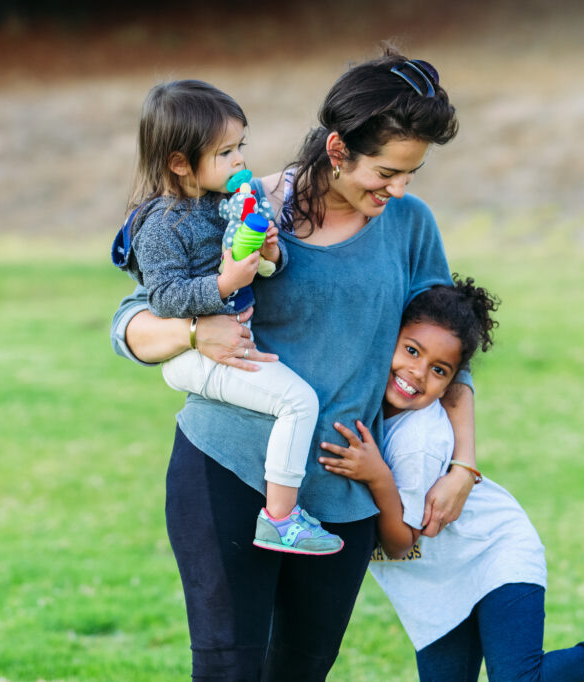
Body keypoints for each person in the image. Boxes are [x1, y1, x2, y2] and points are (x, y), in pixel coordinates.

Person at [109, 50, 476, 680]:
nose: (399, 189)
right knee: (230, 670)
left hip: (345, 495)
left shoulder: (411, 226)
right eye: (387, 172)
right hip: (226, 469)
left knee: (300, 672)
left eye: (411, 174)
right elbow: (131, 324)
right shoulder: (247, 206)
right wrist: (197, 331)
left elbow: (451, 353)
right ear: (337, 150)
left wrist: (464, 464)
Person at [319, 277, 584, 682]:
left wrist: (378, 476)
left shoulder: (418, 441)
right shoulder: (368, 406)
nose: (416, 373)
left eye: (438, 370)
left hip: (493, 553)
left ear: (454, 382)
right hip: (433, 587)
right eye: (411, 351)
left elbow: (399, 543)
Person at [111, 79, 342, 556]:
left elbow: (257, 268)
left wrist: (269, 257)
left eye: (241, 147)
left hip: (229, 337)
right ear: (179, 162)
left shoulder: (227, 203)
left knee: (293, 401)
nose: (239, 161)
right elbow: (166, 297)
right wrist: (224, 284)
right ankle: (281, 519)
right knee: (298, 402)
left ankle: (281, 511)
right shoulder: (161, 225)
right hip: (191, 353)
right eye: (224, 153)